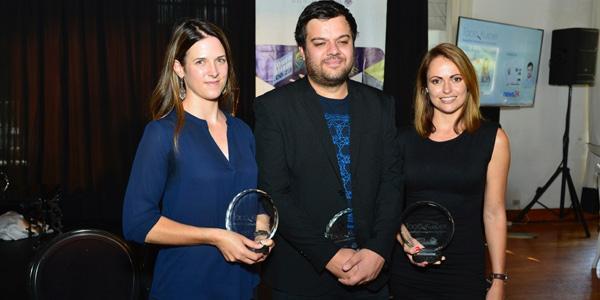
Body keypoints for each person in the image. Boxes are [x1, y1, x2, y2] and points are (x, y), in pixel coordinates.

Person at [254, 1, 402, 299]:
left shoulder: (381, 106)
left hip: (372, 273)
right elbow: (275, 193)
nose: (333, 51)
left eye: (342, 41)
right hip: (303, 277)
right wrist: (328, 257)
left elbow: (392, 183)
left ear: (353, 45)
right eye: (320, 43)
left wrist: (377, 250)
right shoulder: (273, 108)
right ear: (302, 50)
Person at [122, 19, 273, 299]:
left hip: (242, 285)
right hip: (186, 285)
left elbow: (255, 198)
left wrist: (262, 231)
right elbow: (137, 223)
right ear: (179, 68)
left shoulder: (242, 131)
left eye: (220, 60)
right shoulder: (162, 133)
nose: (214, 72)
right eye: (201, 62)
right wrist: (214, 236)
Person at [390, 43, 510, 299]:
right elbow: (389, 208)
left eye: (456, 79)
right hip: (410, 268)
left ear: (469, 83)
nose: (446, 89)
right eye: (436, 80)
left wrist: (498, 279)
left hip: (464, 268)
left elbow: (494, 212)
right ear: (425, 88)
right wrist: (405, 242)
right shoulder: (402, 139)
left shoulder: (493, 139)